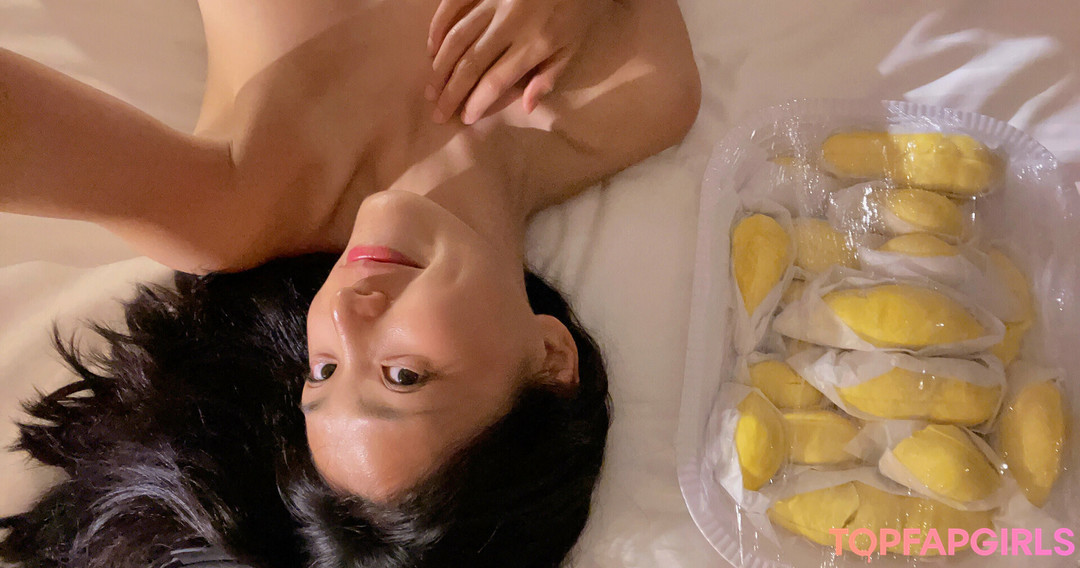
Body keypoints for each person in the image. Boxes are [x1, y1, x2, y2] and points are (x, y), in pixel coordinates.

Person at [0, 0, 699, 565]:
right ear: (550, 360)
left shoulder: (238, 206)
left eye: (325, 370)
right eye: (402, 376)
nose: (348, 314)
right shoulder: (641, 96)